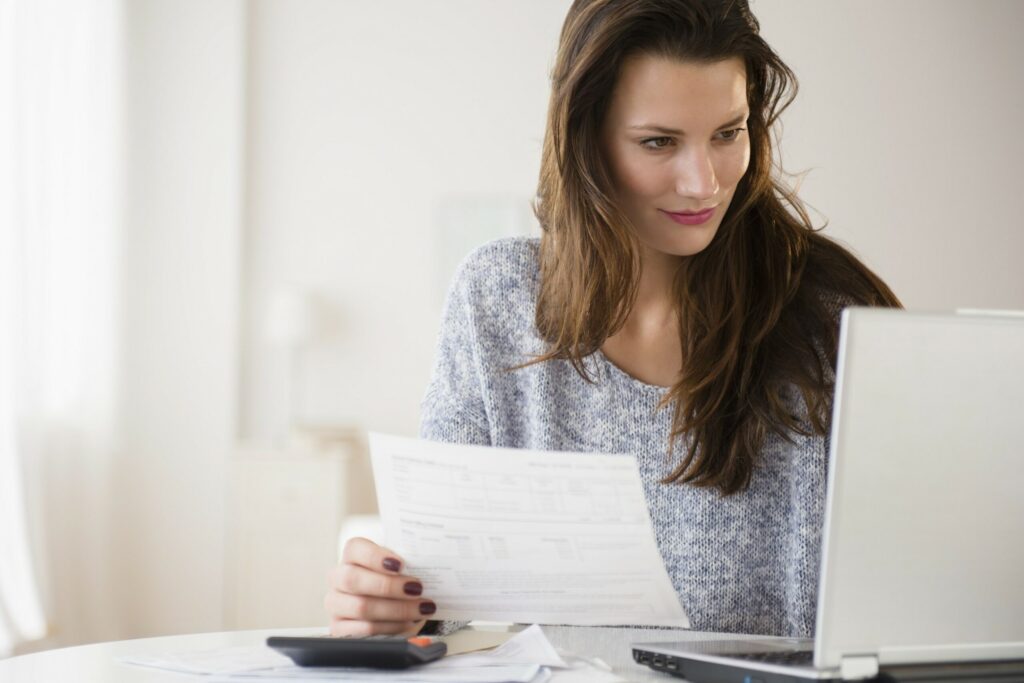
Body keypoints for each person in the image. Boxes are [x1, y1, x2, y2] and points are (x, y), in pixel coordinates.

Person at [324, 0, 900, 639]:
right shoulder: (498, 299)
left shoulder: (832, 314)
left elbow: (908, 577)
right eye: (659, 142)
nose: (702, 183)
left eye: (727, 134)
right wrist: (392, 606)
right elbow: (442, 592)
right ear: (586, 139)